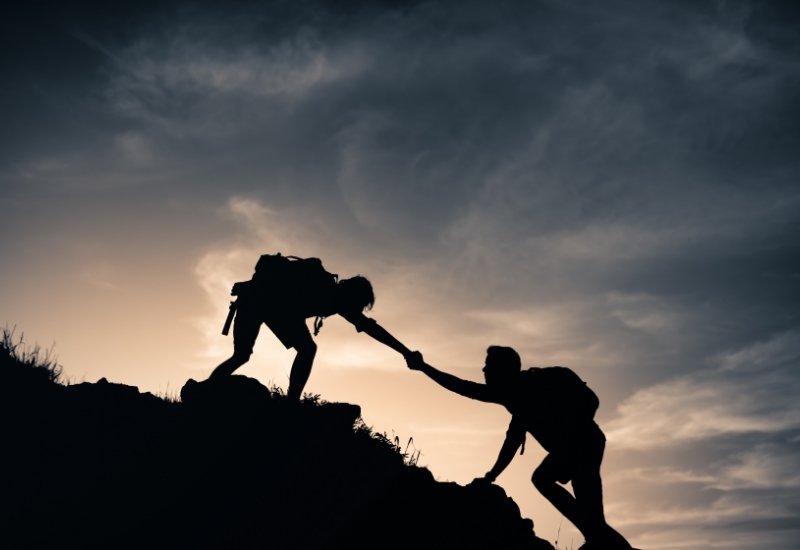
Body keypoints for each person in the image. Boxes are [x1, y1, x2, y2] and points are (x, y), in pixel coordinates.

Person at [406, 346, 632, 550]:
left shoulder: (531, 387)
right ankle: (601, 540)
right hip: (581, 445)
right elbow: (465, 390)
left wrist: (570, 433)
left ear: (503, 370)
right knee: (589, 516)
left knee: (547, 482)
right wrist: (491, 476)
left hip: (585, 443)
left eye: (489, 366)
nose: (483, 370)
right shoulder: (513, 396)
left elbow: (590, 401)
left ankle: (599, 539)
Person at [210, 256, 413, 401]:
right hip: (259, 302)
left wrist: (405, 352)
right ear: (353, 294)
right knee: (298, 350)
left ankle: (207, 391)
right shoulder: (329, 290)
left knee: (243, 355)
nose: (357, 310)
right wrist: (405, 352)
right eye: (359, 304)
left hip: (264, 305)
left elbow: (371, 328)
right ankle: (290, 403)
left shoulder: (337, 297)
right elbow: (371, 329)